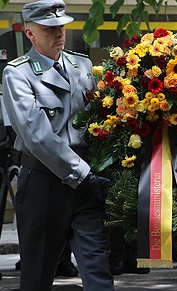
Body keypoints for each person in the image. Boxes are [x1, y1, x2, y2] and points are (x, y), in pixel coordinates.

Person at [2, 1, 114, 289]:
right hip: (44, 184)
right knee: (37, 277)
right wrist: (85, 174)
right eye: (50, 28)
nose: (59, 33)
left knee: (98, 272)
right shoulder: (17, 73)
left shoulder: (83, 65)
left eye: (61, 26)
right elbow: (36, 135)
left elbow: (100, 122)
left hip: (87, 185)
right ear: (30, 33)